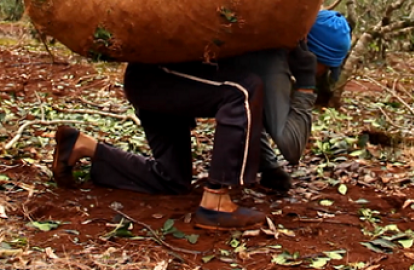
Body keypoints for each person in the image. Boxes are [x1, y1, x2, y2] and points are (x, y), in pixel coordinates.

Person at [52, 60, 268, 231]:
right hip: (157, 78)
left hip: (153, 79)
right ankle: (216, 202)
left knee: (173, 179)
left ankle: (84, 146)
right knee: (242, 89)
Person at [224, 9, 351, 192]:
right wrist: (306, 85)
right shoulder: (274, 66)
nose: (323, 73)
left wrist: (270, 167)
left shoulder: (276, 56)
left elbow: (254, 111)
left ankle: (266, 164)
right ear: (311, 57)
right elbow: (292, 150)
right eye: (325, 67)